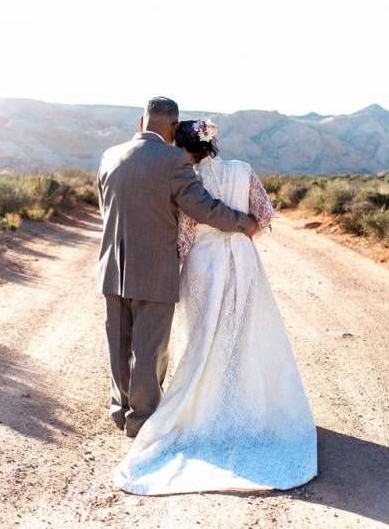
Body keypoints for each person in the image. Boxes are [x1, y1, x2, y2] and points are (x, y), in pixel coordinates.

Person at [114, 119, 317, 495]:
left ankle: (205, 404)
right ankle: (243, 400)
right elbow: (265, 212)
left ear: (182, 146)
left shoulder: (185, 175)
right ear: (212, 143)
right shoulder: (243, 170)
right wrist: (243, 234)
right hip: (243, 257)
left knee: (203, 334)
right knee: (241, 330)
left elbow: (186, 230)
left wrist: (177, 262)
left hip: (204, 263)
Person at [97, 98, 259, 438]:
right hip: (154, 267)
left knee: (118, 341)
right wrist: (243, 222)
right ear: (173, 128)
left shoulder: (109, 156)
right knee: (149, 348)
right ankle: (141, 420)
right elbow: (202, 208)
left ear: (142, 122)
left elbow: (106, 208)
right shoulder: (175, 160)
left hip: (112, 265)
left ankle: (120, 410)